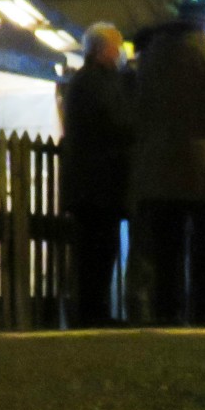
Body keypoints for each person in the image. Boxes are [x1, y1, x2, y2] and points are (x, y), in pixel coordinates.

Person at [132, 0, 205, 324]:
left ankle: (167, 309)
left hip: (159, 164)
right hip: (203, 164)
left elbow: (139, 106)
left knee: (167, 244)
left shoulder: (150, 58)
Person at [58, 22, 134, 327]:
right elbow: (116, 123)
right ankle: (91, 311)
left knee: (97, 248)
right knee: (97, 249)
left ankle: (92, 309)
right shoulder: (95, 83)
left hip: (91, 183)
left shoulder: (86, 81)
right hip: (97, 183)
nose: (120, 55)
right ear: (103, 50)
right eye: (117, 48)